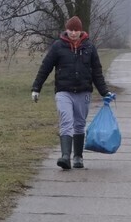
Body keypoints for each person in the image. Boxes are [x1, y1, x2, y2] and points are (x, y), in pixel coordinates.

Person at [31, 15, 114, 170]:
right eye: (70, 30)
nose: (73, 33)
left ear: (81, 30)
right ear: (66, 30)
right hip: (64, 91)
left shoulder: (89, 47)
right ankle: (65, 157)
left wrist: (105, 93)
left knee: (79, 124)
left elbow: (97, 73)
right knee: (66, 121)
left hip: (83, 92)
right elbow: (45, 68)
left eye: (76, 30)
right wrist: (36, 88)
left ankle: (78, 157)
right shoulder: (58, 46)